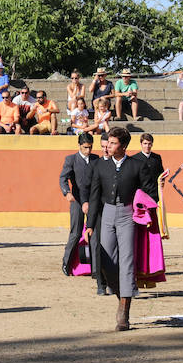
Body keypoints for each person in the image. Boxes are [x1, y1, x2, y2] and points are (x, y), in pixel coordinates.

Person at [86, 127, 154, 330]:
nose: (108, 146)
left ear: (123, 146)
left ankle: (124, 309)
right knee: (105, 261)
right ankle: (120, 295)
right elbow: (95, 196)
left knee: (126, 260)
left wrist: (155, 192)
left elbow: (149, 193)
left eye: (113, 143)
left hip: (127, 215)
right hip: (106, 213)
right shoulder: (100, 166)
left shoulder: (137, 166)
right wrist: (90, 224)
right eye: (108, 142)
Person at [59, 132, 102, 292]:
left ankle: (96, 269)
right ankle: (66, 263)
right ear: (79, 146)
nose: (88, 151)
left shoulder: (96, 159)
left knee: (95, 234)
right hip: (77, 200)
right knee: (76, 233)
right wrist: (67, 192)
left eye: (90, 147)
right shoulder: (71, 159)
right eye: (85, 148)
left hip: (93, 200)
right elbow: (63, 178)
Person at [132, 133, 164, 200]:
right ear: (141, 144)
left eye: (149, 144)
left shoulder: (157, 158)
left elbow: (161, 173)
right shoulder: (134, 159)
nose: (147, 146)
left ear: (152, 144)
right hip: (139, 195)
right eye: (145, 143)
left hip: (153, 195)